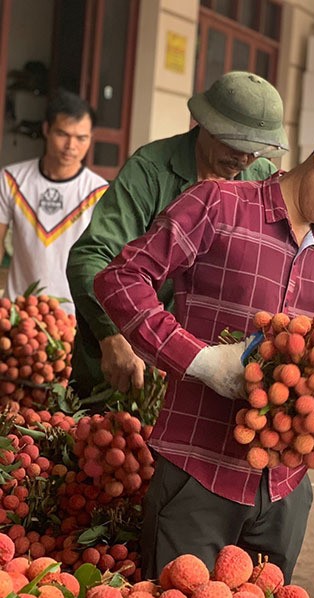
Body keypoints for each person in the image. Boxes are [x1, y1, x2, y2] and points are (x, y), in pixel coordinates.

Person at [93, 111, 314, 581]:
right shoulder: (217, 205)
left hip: (285, 486)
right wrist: (198, 360)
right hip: (198, 475)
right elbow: (119, 280)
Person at [67, 71, 284, 398]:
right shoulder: (149, 170)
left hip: (216, 368)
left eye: (254, 150)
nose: (244, 158)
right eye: (235, 144)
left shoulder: (262, 179)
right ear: (203, 124)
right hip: (128, 365)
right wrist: (112, 335)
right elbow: (91, 257)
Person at [0, 90, 107, 312]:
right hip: (18, 314)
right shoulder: (11, 179)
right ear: (46, 129)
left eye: (81, 138)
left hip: (75, 318)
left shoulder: (99, 192)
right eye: (63, 134)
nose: (71, 146)